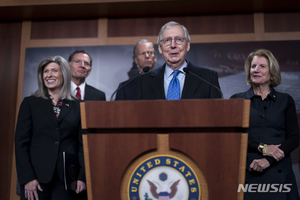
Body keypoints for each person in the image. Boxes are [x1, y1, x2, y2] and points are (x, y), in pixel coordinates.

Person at [15, 56, 87, 200]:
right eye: (45, 71)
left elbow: (83, 144)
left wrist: (83, 177)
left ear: (64, 74)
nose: (49, 75)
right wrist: (28, 178)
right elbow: (20, 143)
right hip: (36, 179)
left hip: (68, 180)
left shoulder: (79, 105)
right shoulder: (30, 103)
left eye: (54, 70)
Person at [230, 49, 299, 200]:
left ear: (272, 72)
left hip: (280, 173)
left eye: (262, 66)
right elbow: (232, 138)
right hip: (248, 173)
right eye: (253, 66)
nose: (256, 70)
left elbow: (294, 138)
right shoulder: (236, 100)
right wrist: (263, 148)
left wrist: (269, 160)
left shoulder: (286, 101)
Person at [132, 21, 222, 100]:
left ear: (187, 45)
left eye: (179, 39)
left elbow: (217, 113)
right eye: (167, 40)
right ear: (160, 48)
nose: (173, 45)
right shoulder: (143, 80)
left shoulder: (208, 78)